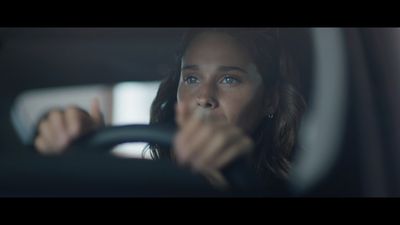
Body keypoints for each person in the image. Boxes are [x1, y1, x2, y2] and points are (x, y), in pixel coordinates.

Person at [34, 28, 306, 189]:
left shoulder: (303, 187)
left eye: (229, 79)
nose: (204, 97)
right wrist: (72, 162)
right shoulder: (143, 183)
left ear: (270, 100)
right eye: (191, 78)